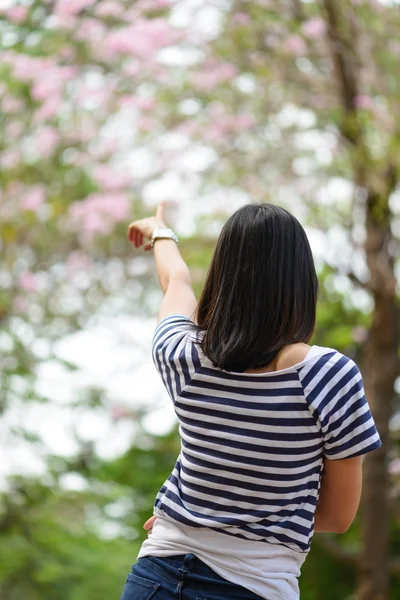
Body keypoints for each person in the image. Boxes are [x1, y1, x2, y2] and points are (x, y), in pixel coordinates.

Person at [120, 202, 381, 600]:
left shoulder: (183, 356)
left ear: (223, 275)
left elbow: (177, 281)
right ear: (300, 281)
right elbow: (337, 516)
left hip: (158, 573)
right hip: (255, 587)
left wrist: (161, 232)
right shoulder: (328, 375)